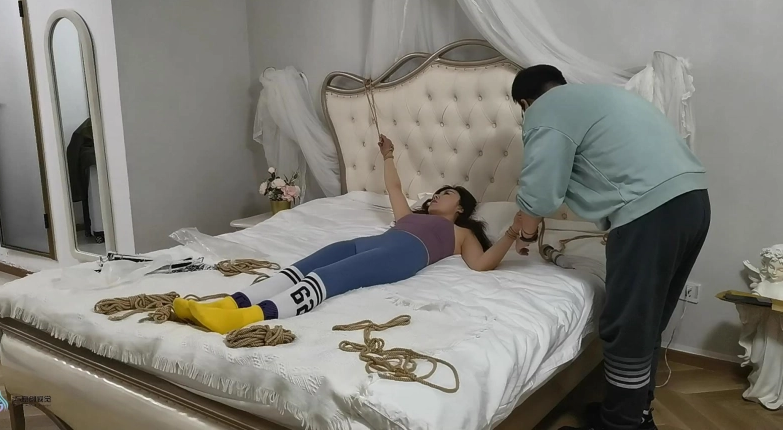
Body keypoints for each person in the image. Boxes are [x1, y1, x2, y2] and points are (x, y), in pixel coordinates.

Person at [508, 65, 711, 430]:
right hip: (693, 200)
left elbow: (540, 191)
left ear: (525, 102)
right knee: (647, 321)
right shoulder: (605, 97)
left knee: (627, 325)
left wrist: (524, 232)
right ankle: (636, 414)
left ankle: (620, 423)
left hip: (650, 211)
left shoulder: (547, 107)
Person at [176, 134, 522, 334]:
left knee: (329, 277)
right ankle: (229, 302)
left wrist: (512, 232)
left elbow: (482, 264)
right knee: (301, 268)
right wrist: (388, 155)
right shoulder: (408, 216)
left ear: (460, 208)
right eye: (435, 193)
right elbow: (395, 187)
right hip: (370, 243)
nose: (435, 197)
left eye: (445, 194)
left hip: (402, 256)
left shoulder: (460, 233)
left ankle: (248, 317)